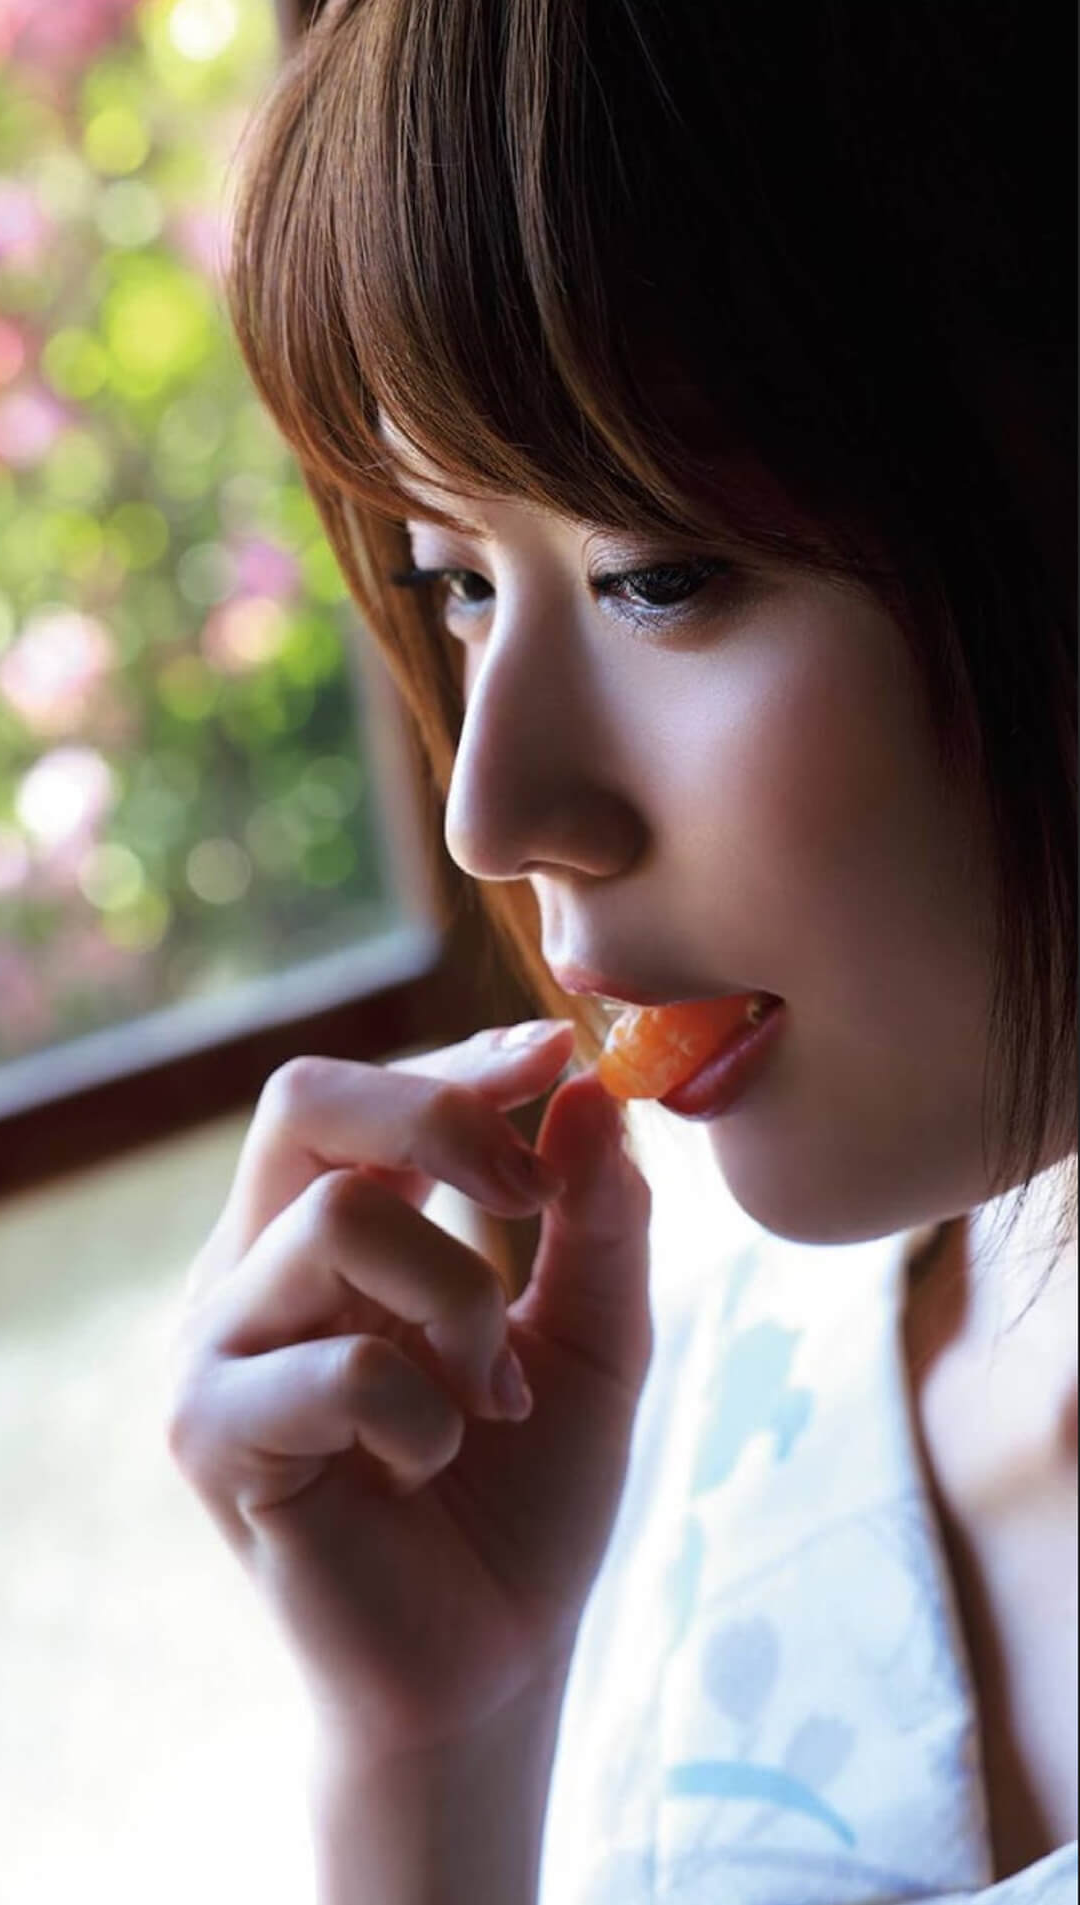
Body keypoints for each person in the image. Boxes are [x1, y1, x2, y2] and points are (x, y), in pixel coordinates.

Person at [166, 1, 1077, 1897]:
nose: (487, 810)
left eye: (654, 574)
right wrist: (436, 1749)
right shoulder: (711, 1391)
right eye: (454, 584)